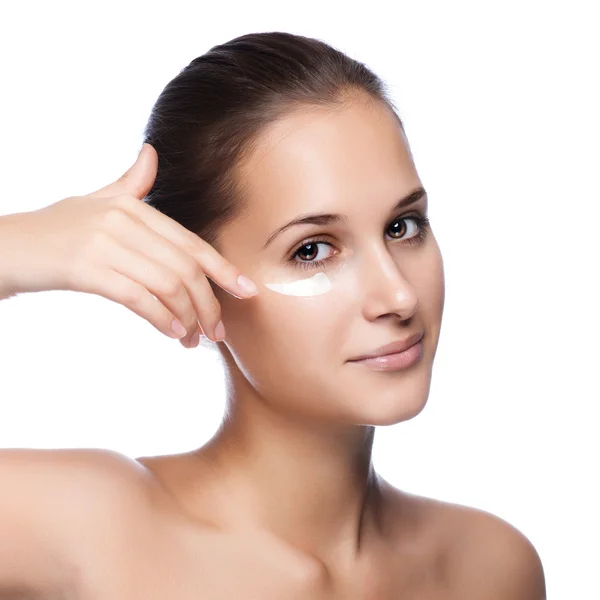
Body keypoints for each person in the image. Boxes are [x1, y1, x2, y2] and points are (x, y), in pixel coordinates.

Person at [0, 31, 546, 599]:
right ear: (195, 275)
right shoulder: (94, 531)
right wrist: (11, 250)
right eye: (311, 250)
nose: (399, 297)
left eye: (402, 226)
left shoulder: (490, 568)